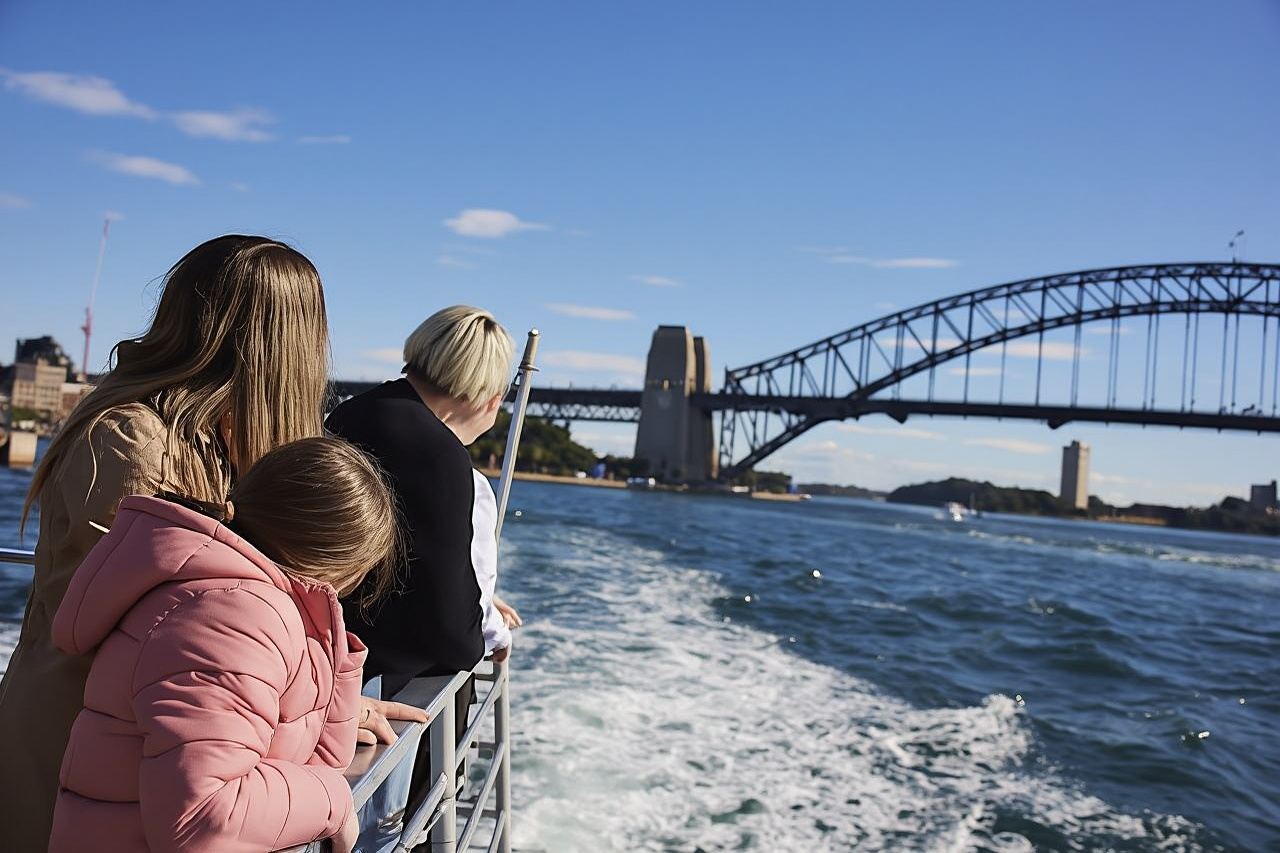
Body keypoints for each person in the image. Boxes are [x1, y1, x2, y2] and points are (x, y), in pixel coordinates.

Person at [0, 235, 424, 850]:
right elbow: (163, 628)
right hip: (85, 758)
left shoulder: (215, 444)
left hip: (159, 749)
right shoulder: (137, 440)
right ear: (291, 344)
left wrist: (323, 705)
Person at [48, 438, 399, 853]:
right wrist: (334, 800)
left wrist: (332, 648)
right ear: (340, 564)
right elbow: (203, 818)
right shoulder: (236, 616)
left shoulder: (256, 606)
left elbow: (320, 761)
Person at [326, 305, 517, 850]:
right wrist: (484, 637)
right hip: (378, 685)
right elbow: (446, 627)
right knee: (381, 835)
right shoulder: (440, 457)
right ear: (483, 388)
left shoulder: (350, 415)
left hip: (317, 662)